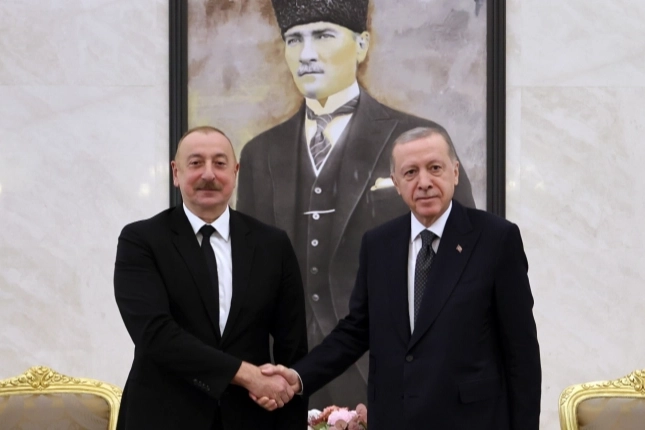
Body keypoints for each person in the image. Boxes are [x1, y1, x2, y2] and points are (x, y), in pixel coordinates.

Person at [237, 0, 476, 409]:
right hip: (290, 372)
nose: (306, 54)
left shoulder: (420, 140)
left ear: (362, 45)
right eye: (294, 40)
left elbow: (464, 260)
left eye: (323, 36)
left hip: (389, 368)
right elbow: (249, 273)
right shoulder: (260, 153)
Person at [258, 126, 542, 429]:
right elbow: (356, 330)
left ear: (455, 172)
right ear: (396, 183)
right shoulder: (379, 244)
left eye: (435, 168)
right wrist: (299, 376)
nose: (424, 182)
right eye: (410, 172)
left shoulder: (496, 239)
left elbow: (521, 352)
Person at [113, 126, 308, 430]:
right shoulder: (141, 240)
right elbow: (154, 334)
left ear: (235, 172)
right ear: (176, 173)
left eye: (219, 163)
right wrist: (247, 375)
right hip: (162, 417)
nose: (208, 174)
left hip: (252, 420)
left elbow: (292, 347)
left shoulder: (272, 244)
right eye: (195, 163)